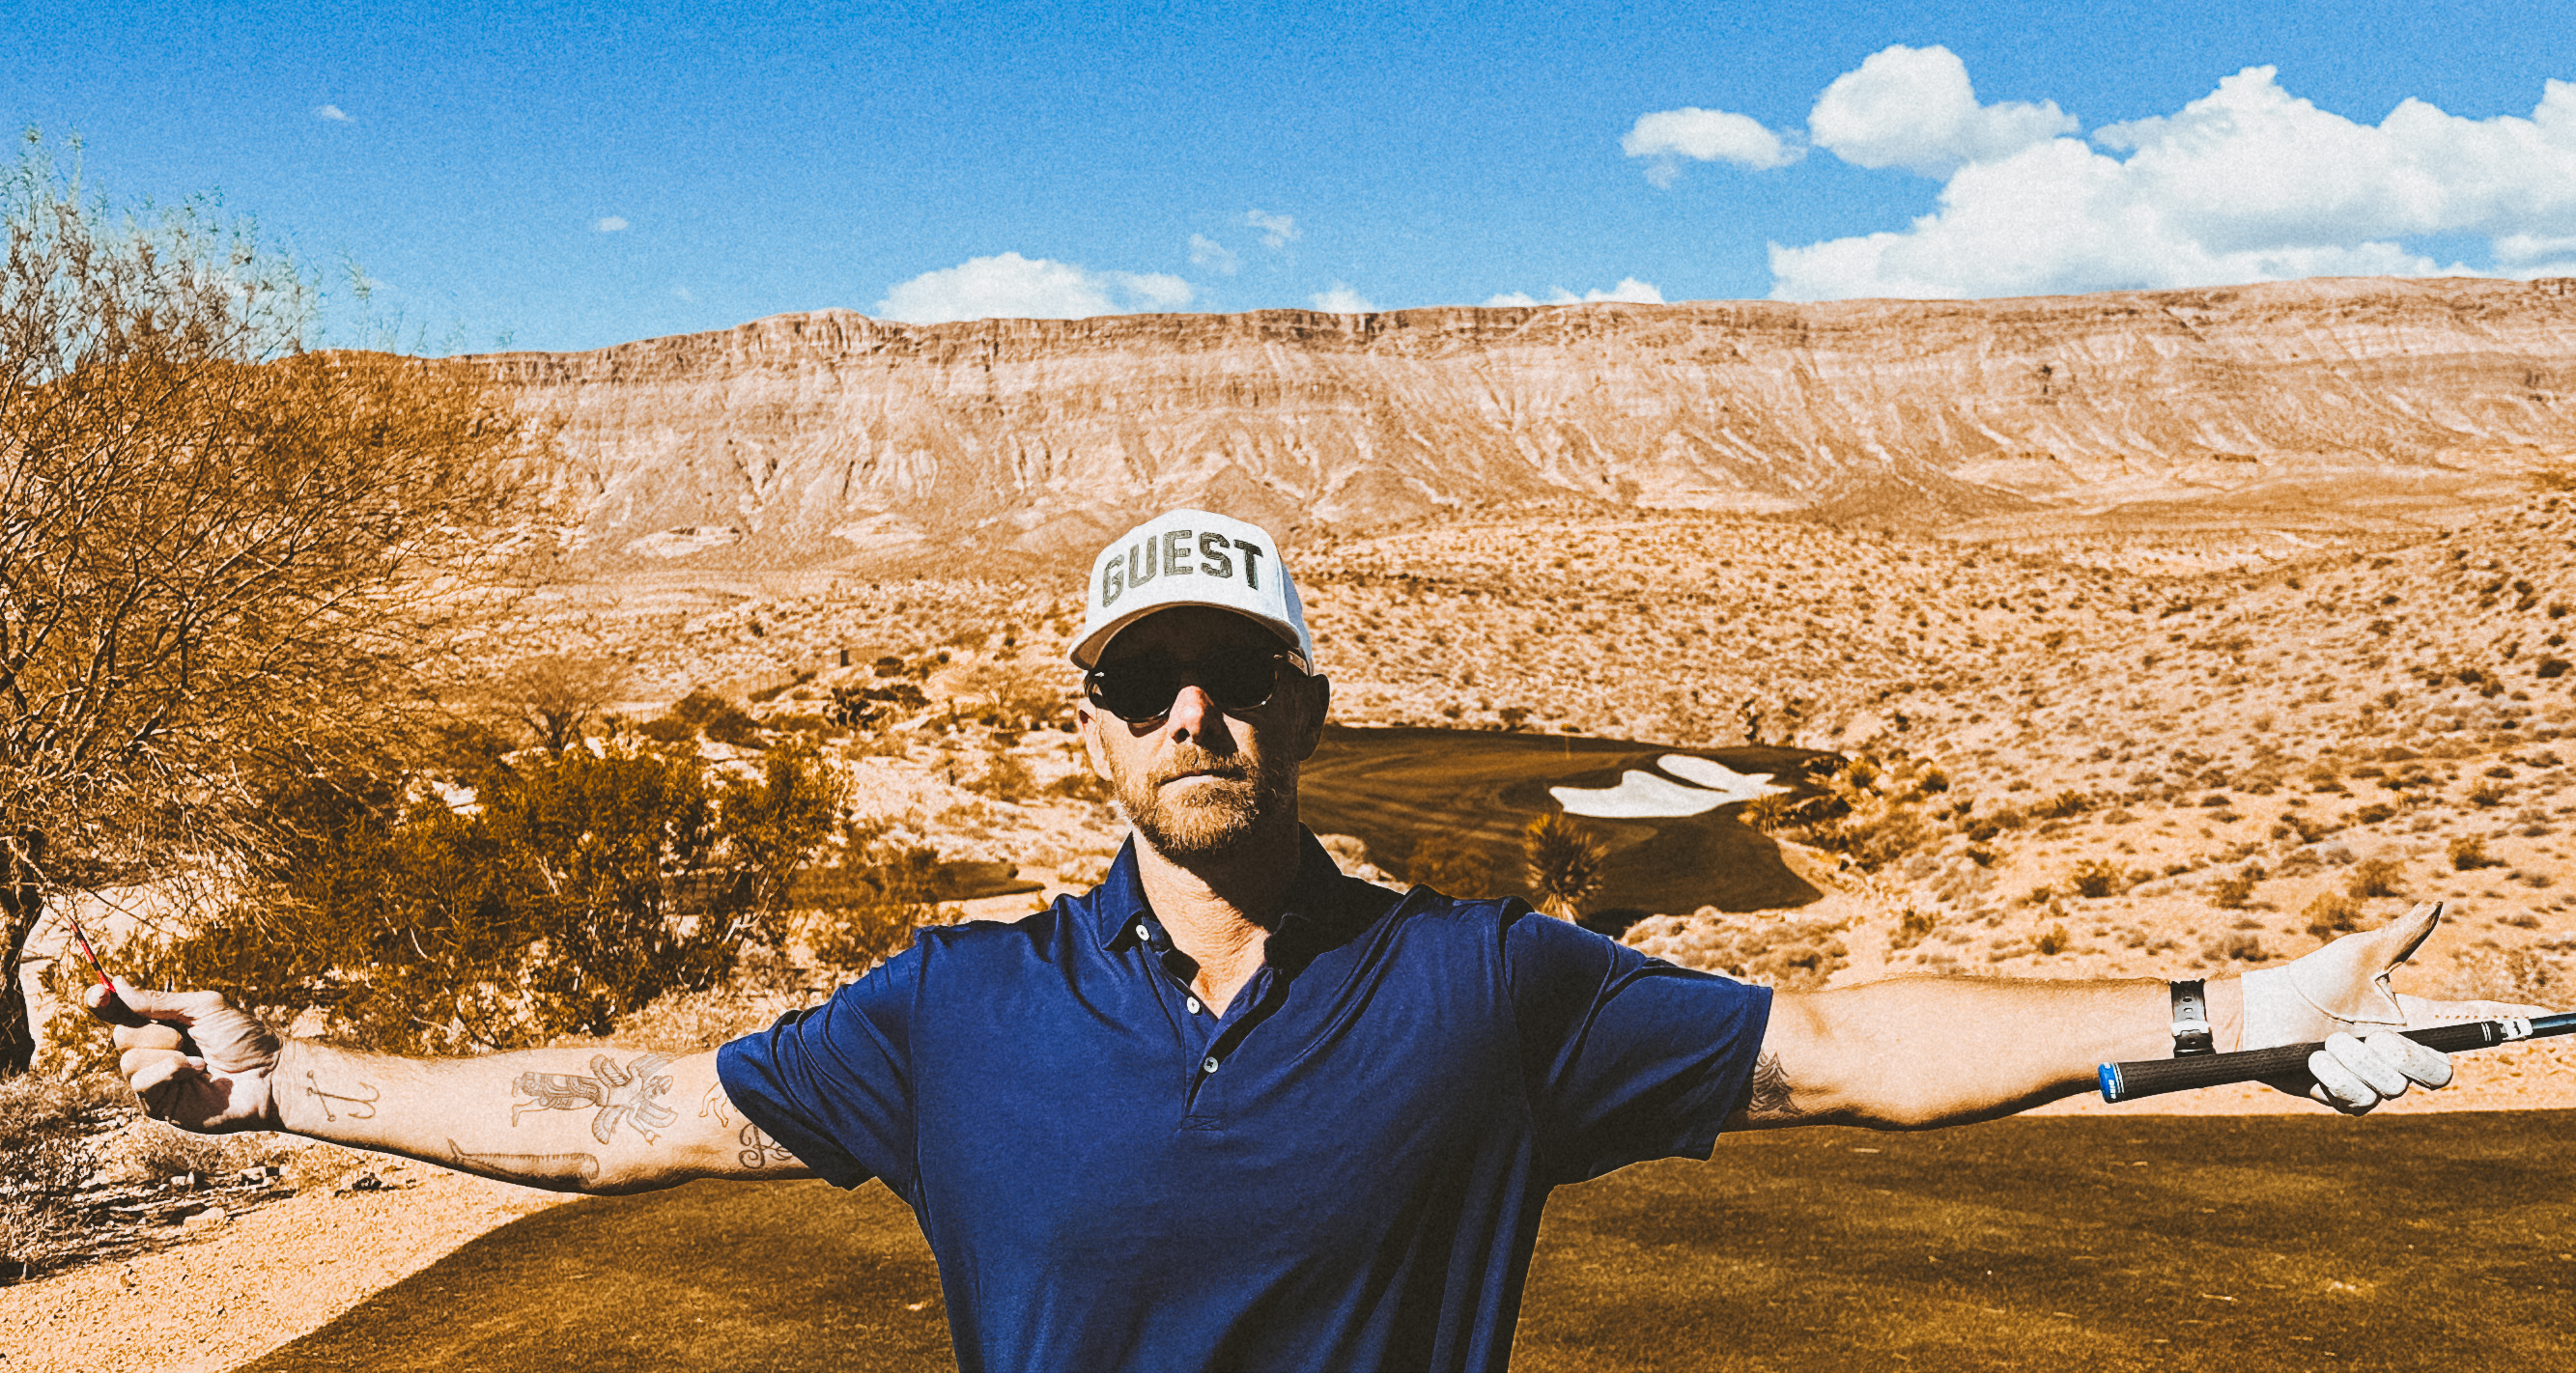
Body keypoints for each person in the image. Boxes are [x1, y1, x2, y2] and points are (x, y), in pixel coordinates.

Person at [104, 507, 2533, 1372]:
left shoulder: (1493, 988)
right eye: (1144, 680)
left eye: (1236, 678)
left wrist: (2234, 1013)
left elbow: (1851, 1046)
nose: (1191, 712)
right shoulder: (953, 1008)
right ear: (1088, 730)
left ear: (1302, 714)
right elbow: (630, 1111)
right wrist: (282, 1076)